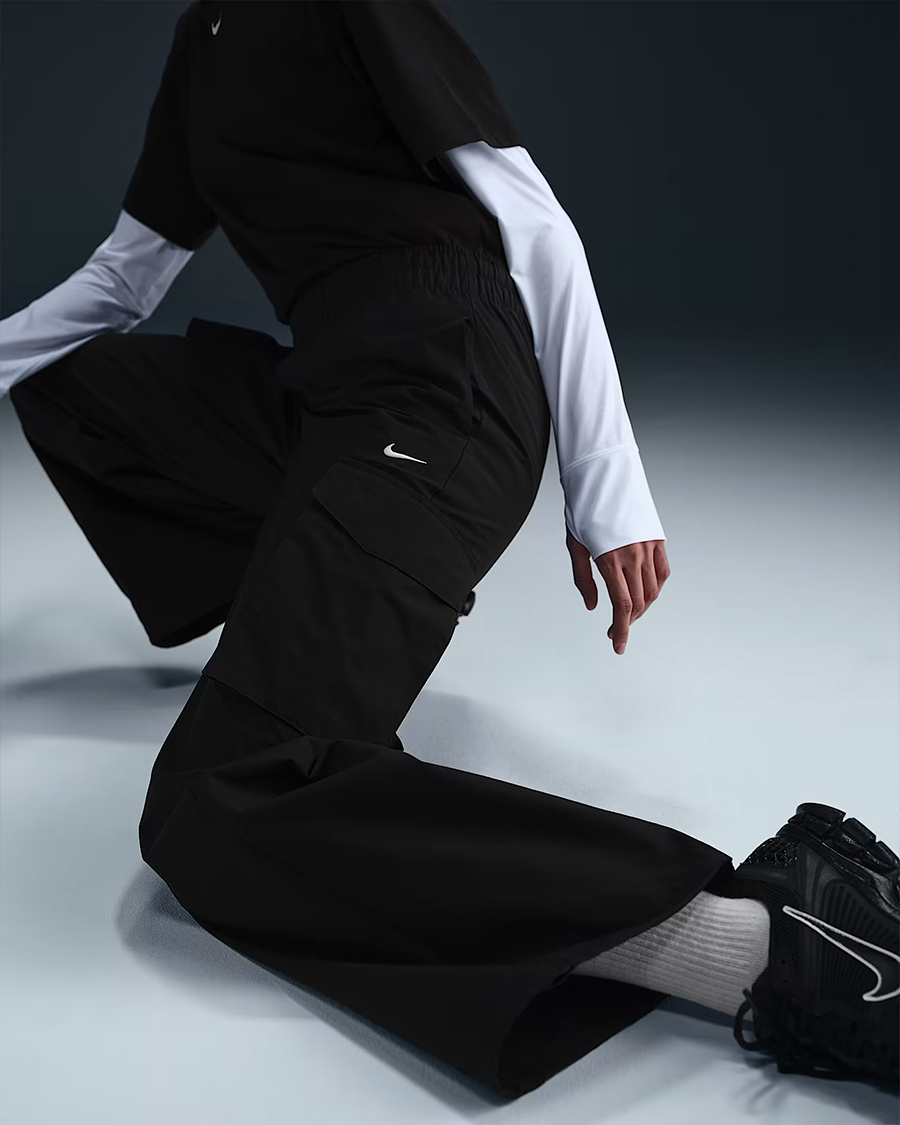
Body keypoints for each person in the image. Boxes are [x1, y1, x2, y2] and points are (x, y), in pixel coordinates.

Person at [1, 0, 896, 1098]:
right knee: (68, 385)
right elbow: (122, 280)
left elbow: (536, 219)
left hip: (443, 391)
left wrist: (607, 486)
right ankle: (306, 612)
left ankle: (786, 946)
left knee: (216, 799)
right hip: (325, 400)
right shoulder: (203, 40)